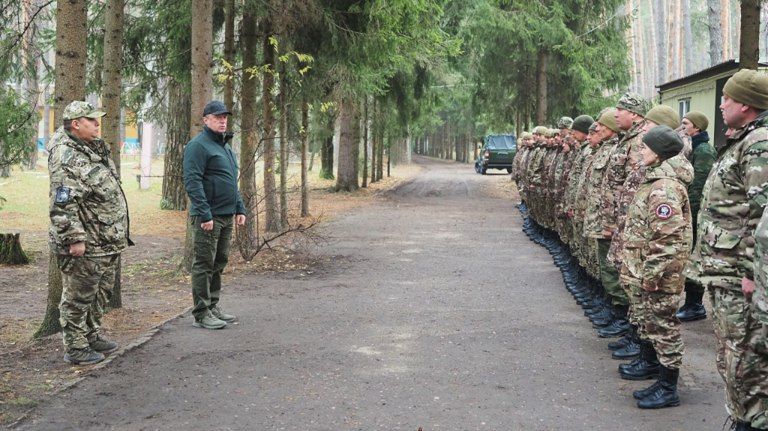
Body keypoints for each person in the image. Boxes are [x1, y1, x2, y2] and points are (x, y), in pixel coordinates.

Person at [686, 69, 768, 430]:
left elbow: (762, 214)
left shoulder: (759, 144)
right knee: (732, 355)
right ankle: (741, 416)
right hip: (726, 271)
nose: (721, 105)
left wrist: (753, 273)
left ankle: (751, 421)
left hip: (741, 277)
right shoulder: (743, 139)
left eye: (728, 99)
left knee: (746, 358)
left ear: (747, 105)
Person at [48, 101, 133, 365]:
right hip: (86, 243)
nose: (98, 124)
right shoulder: (65, 155)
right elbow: (63, 203)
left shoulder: (94, 149)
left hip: (105, 240)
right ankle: (75, 347)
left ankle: (91, 335)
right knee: (78, 296)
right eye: (92, 120)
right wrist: (74, 238)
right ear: (76, 123)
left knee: (100, 293)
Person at [620, 125, 691, 409]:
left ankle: (668, 387)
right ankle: (658, 377)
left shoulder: (664, 189)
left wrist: (651, 275)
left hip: (661, 275)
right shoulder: (653, 182)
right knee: (653, 324)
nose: (640, 151)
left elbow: (667, 238)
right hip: (649, 271)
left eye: (645, 147)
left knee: (664, 327)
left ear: (659, 153)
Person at [183, 100, 247, 330]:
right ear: (206, 120)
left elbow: (231, 181)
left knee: (219, 261)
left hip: (226, 215)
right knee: (204, 263)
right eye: (217, 117)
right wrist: (205, 213)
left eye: (224, 117)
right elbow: (192, 181)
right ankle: (201, 312)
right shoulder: (198, 146)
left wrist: (239, 208)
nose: (222, 121)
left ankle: (212, 304)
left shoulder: (225, 147)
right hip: (207, 218)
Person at [676, 111, 716, 322]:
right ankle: (691, 303)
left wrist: (688, 212)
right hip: (689, 210)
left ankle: (695, 304)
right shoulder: (691, 147)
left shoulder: (704, 150)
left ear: (697, 128)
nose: (682, 127)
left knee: (694, 257)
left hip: (696, 212)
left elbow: (698, 186)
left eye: (686, 123)